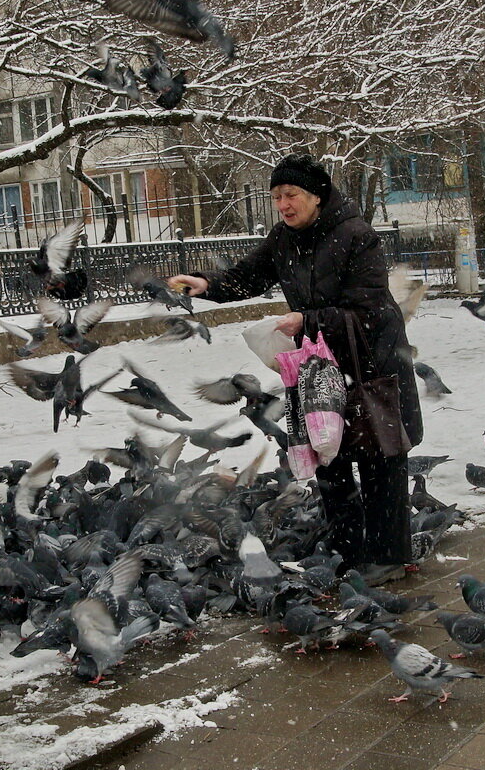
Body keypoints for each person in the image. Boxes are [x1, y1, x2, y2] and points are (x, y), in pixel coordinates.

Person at [168, 153, 421, 585]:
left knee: (380, 457)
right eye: (276, 197)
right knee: (328, 455)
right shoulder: (285, 238)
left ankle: (388, 555)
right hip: (319, 364)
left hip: (370, 359)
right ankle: (349, 549)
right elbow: (250, 274)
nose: (283, 205)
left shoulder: (356, 235)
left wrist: (310, 320)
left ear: (317, 196)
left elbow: (369, 307)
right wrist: (207, 284)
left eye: (291, 195)